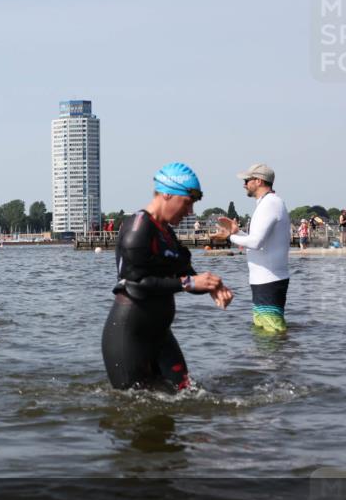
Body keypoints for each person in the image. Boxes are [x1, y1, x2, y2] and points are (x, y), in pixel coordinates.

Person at [102, 163, 233, 391]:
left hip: (160, 333)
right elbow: (137, 283)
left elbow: (184, 271)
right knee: (135, 411)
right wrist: (190, 282)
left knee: (186, 394)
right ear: (167, 193)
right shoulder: (138, 227)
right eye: (187, 203)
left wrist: (211, 285)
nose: (190, 211)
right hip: (130, 335)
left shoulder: (165, 231)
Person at [217, 163, 291, 333]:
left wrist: (229, 237)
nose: (244, 184)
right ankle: (273, 358)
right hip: (264, 279)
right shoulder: (267, 203)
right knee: (265, 331)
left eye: (247, 180)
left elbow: (256, 243)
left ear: (258, 181)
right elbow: (259, 240)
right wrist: (237, 232)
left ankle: (277, 359)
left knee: (272, 332)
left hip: (269, 279)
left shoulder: (270, 204)